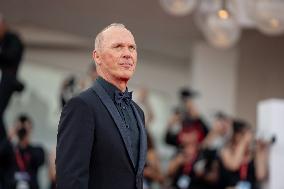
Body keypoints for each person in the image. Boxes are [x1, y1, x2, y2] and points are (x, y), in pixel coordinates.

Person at [56, 23, 147, 189]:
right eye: (118, 47)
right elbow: (71, 180)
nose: (127, 54)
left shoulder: (138, 112)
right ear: (97, 57)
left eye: (132, 48)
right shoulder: (81, 106)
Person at [10, 114, 45, 189]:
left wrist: (27, 136)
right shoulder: (10, 151)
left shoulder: (37, 150)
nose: (22, 131)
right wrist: (10, 136)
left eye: (25, 128)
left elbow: (40, 160)